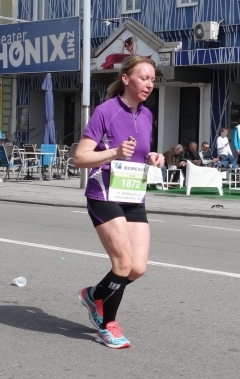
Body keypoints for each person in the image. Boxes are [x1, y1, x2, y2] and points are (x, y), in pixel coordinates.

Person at [73, 55, 165, 349]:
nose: (149, 84)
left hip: (132, 194)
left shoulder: (147, 115)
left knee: (137, 268)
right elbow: (80, 158)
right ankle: (107, 324)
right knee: (122, 263)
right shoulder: (106, 111)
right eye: (143, 78)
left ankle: (94, 294)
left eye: (152, 79)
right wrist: (113, 153)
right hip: (103, 194)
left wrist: (153, 157)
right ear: (126, 79)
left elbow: (140, 153)